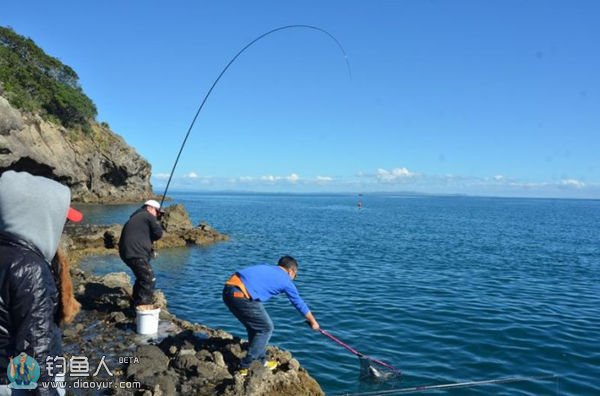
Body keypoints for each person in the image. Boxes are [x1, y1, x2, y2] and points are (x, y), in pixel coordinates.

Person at [0, 170, 83, 395]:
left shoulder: (8, 254)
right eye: (60, 219)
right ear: (39, 216)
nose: (62, 226)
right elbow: (36, 351)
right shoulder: (30, 268)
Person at [222, 256, 320, 375]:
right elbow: (298, 302)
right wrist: (313, 322)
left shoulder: (268, 268)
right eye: (295, 276)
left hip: (228, 290)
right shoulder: (286, 280)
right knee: (266, 328)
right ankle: (245, 365)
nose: (294, 279)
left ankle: (261, 360)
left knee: (256, 327)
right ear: (291, 271)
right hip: (241, 294)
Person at [118, 199, 164, 309]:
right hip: (135, 253)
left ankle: (134, 305)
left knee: (141, 278)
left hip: (128, 253)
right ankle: (142, 308)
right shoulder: (147, 215)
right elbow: (158, 233)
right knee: (148, 278)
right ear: (149, 208)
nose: (158, 215)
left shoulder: (136, 217)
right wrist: (156, 223)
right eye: (157, 212)